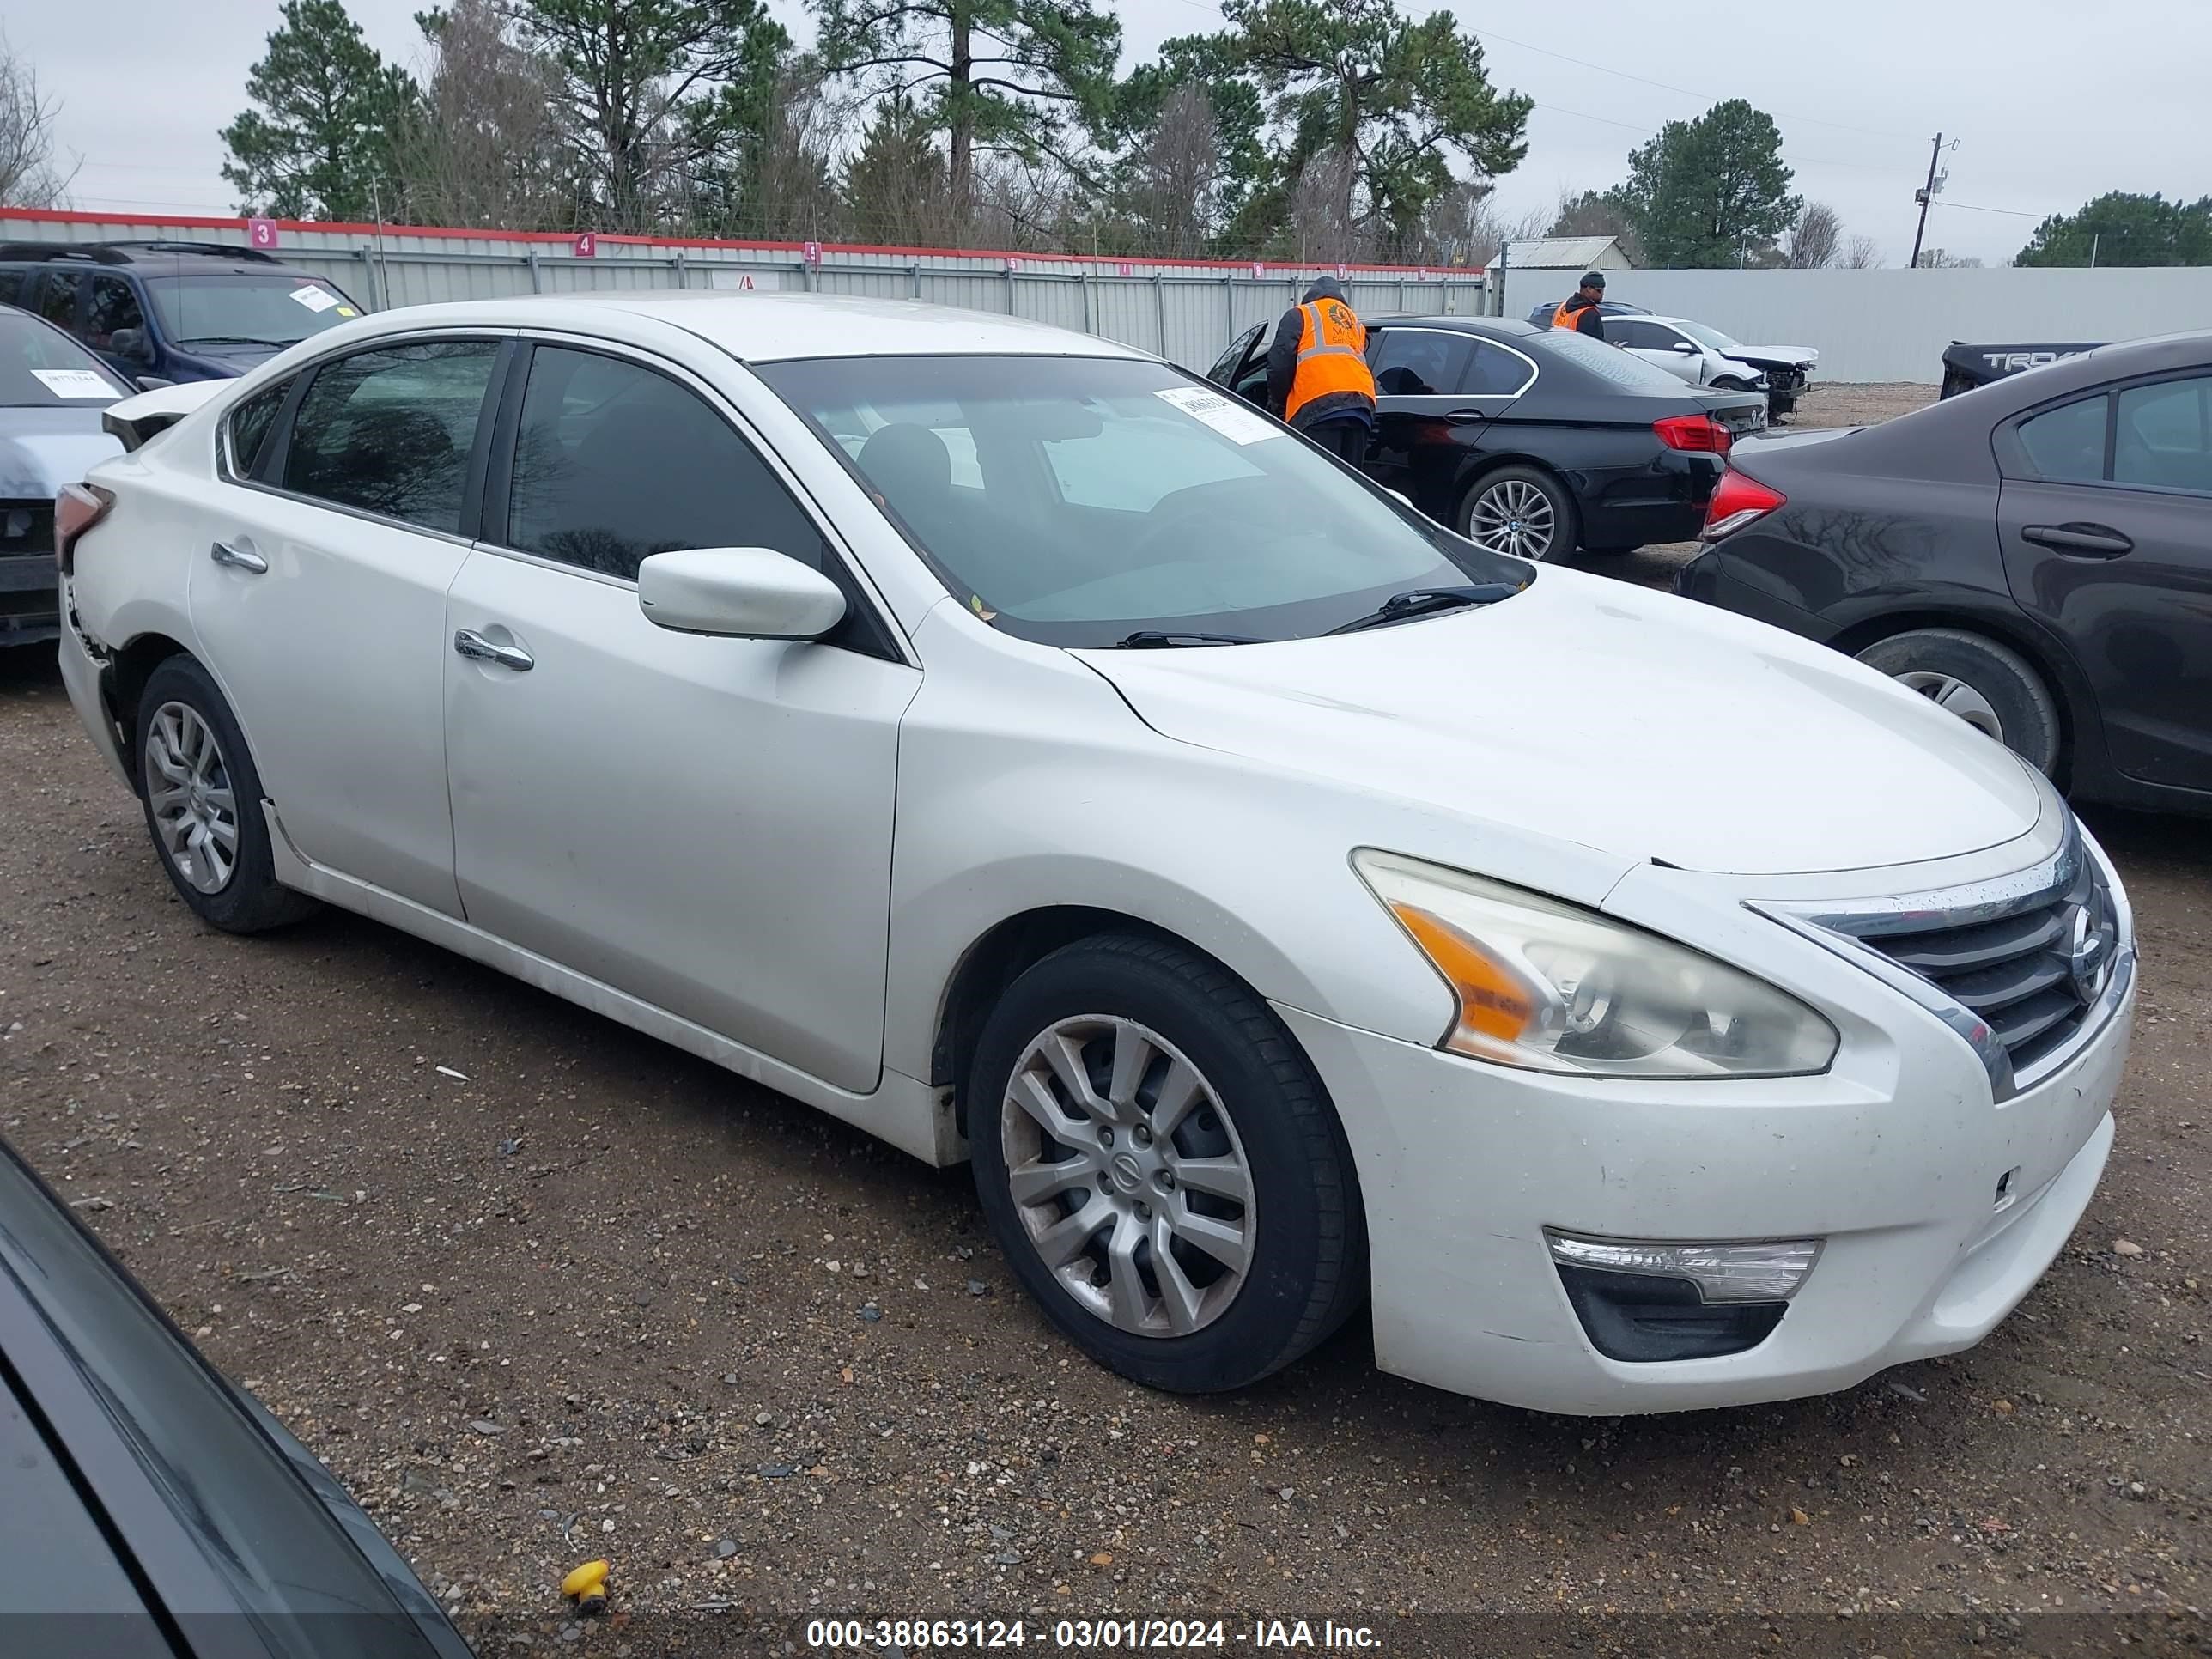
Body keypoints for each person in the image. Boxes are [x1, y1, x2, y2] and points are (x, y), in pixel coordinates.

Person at [1263, 276, 1377, 462]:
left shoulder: (1301, 314)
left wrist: (1277, 404)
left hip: (1318, 405)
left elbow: (1279, 366)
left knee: (1320, 479)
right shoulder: (1353, 321)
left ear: (1310, 296)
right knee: (1351, 480)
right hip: (1361, 405)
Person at [1553, 271, 1609, 339]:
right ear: (1589, 289)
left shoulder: (1562, 306)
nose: (1602, 293)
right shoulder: (1590, 313)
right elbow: (1594, 344)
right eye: (1600, 290)